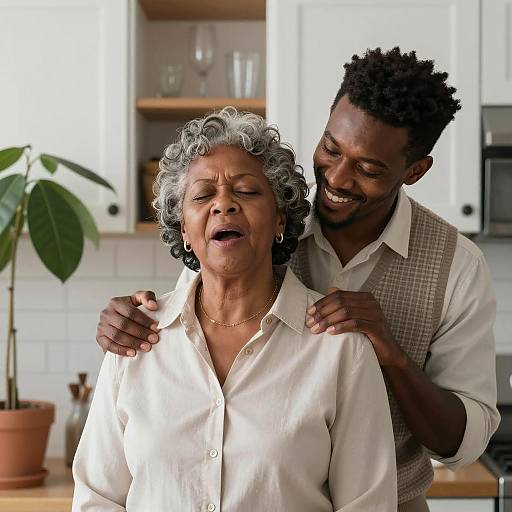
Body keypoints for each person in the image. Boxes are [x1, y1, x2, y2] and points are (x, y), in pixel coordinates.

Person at [95, 48, 500, 511]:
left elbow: (463, 444)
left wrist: (390, 352)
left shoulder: (455, 265)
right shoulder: (258, 216)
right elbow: (193, 300)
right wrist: (129, 318)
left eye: (368, 169)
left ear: (414, 171)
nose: (338, 177)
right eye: (331, 148)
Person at [73, 108, 398, 511]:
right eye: (203, 194)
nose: (223, 204)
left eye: (245, 191)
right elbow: (97, 498)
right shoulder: (137, 340)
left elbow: (368, 505)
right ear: (184, 231)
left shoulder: (339, 347)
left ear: (280, 218)